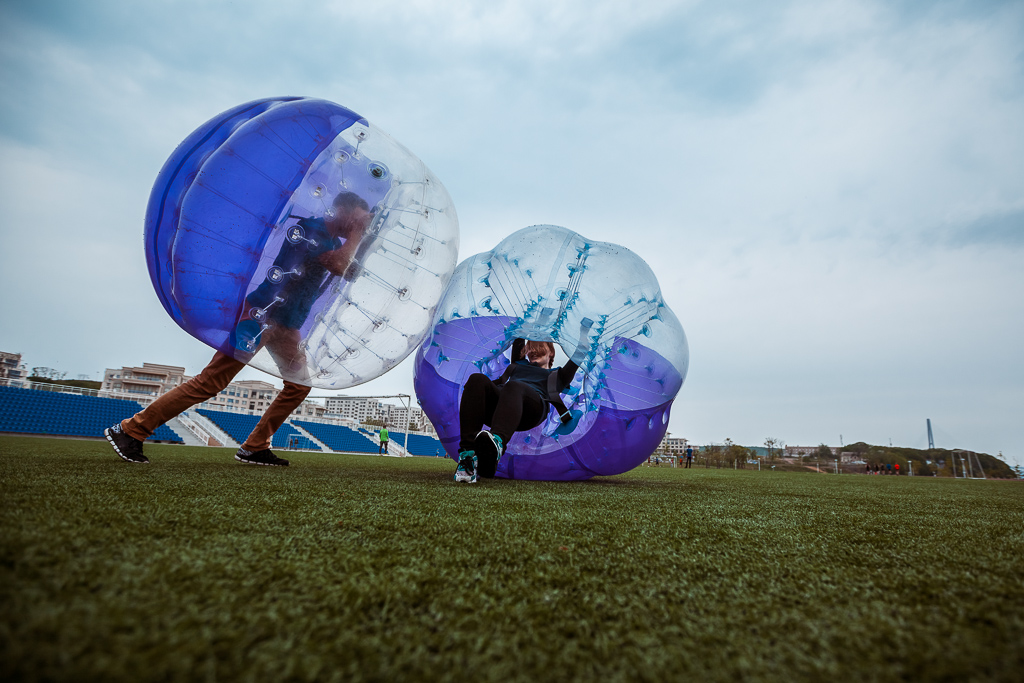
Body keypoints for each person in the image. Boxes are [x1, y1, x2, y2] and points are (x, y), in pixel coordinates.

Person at [104, 191, 372, 467]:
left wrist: (360, 242)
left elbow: (345, 268)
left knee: (298, 385)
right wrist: (357, 235)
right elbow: (338, 263)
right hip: (261, 316)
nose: (357, 225)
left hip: (287, 324)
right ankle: (130, 429)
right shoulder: (310, 228)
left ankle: (255, 446)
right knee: (212, 381)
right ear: (343, 209)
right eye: (356, 219)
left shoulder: (330, 239)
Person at [453, 320, 592, 483]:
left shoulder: (558, 375)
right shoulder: (517, 365)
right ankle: (468, 459)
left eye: (538, 347)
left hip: (532, 410)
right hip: (501, 406)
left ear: (550, 353)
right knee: (477, 379)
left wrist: (584, 332)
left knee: (514, 386)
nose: (533, 351)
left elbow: (580, 353)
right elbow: (520, 335)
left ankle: (496, 444)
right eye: (530, 347)